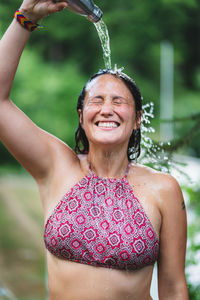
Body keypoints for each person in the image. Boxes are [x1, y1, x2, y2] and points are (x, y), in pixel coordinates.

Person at [0, 0, 189, 299]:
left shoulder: (163, 189)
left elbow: (174, 289)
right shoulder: (56, 166)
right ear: (81, 116)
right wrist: (25, 19)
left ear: (137, 118)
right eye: (96, 100)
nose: (107, 109)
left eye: (119, 101)